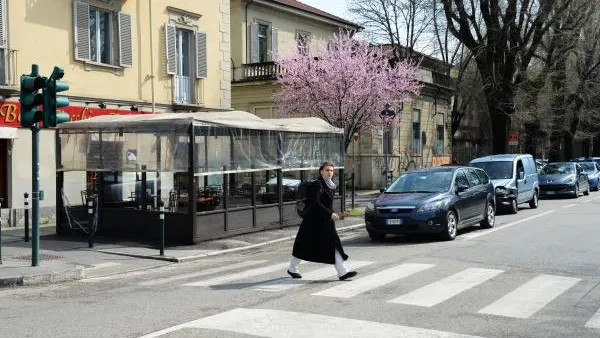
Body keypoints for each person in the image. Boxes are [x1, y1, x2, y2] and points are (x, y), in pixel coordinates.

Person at [287, 161, 358, 281]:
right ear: (321, 171)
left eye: (331, 170)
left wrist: (334, 214)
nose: (329, 172)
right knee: (303, 246)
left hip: (325, 222)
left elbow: (325, 204)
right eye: (327, 170)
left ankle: (343, 272)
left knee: (333, 245)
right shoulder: (317, 185)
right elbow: (314, 203)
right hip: (312, 222)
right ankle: (292, 268)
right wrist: (330, 214)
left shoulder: (330, 185)